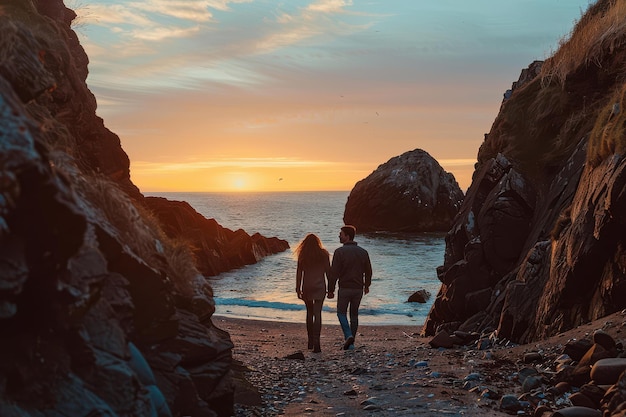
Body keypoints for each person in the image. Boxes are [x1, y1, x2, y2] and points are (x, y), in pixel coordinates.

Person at [327, 225, 372, 350]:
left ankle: (348, 336)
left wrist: (330, 289)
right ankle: (351, 342)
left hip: (345, 288)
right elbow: (368, 271)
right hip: (358, 289)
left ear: (347, 236)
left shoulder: (339, 252)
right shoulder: (363, 252)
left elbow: (334, 272)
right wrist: (367, 285)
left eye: (341, 234)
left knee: (341, 313)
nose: (339, 236)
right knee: (354, 315)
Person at [294, 233, 331, 353]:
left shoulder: (303, 255)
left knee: (309, 313)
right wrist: (331, 288)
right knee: (318, 313)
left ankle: (310, 340)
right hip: (320, 287)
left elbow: (299, 273)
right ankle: (317, 342)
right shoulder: (324, 254)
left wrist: (297, 288)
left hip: (307, 287)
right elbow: (328, 272)